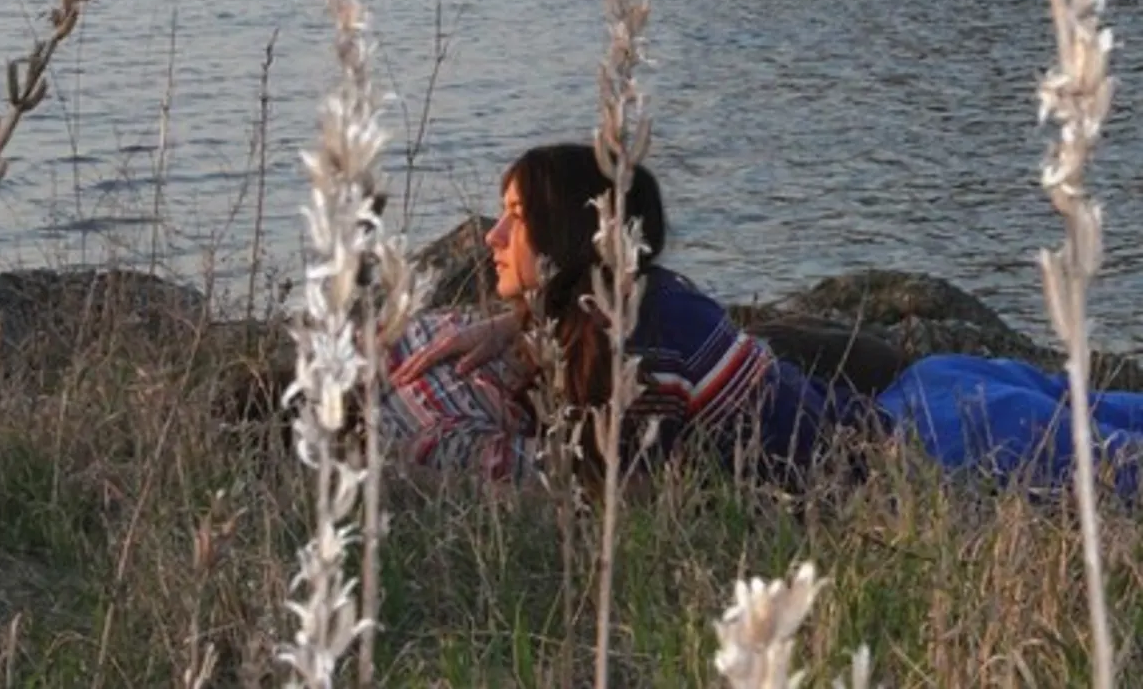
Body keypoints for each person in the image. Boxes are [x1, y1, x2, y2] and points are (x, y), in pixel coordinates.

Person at [386, 142, 1143, 497]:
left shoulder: (642, 351)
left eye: (514, 218)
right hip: (927, 398)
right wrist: (514, 327)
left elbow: (610, 493)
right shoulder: (639, 303)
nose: (489, 236)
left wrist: (430, 443)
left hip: (946, 448)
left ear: (566, 233)